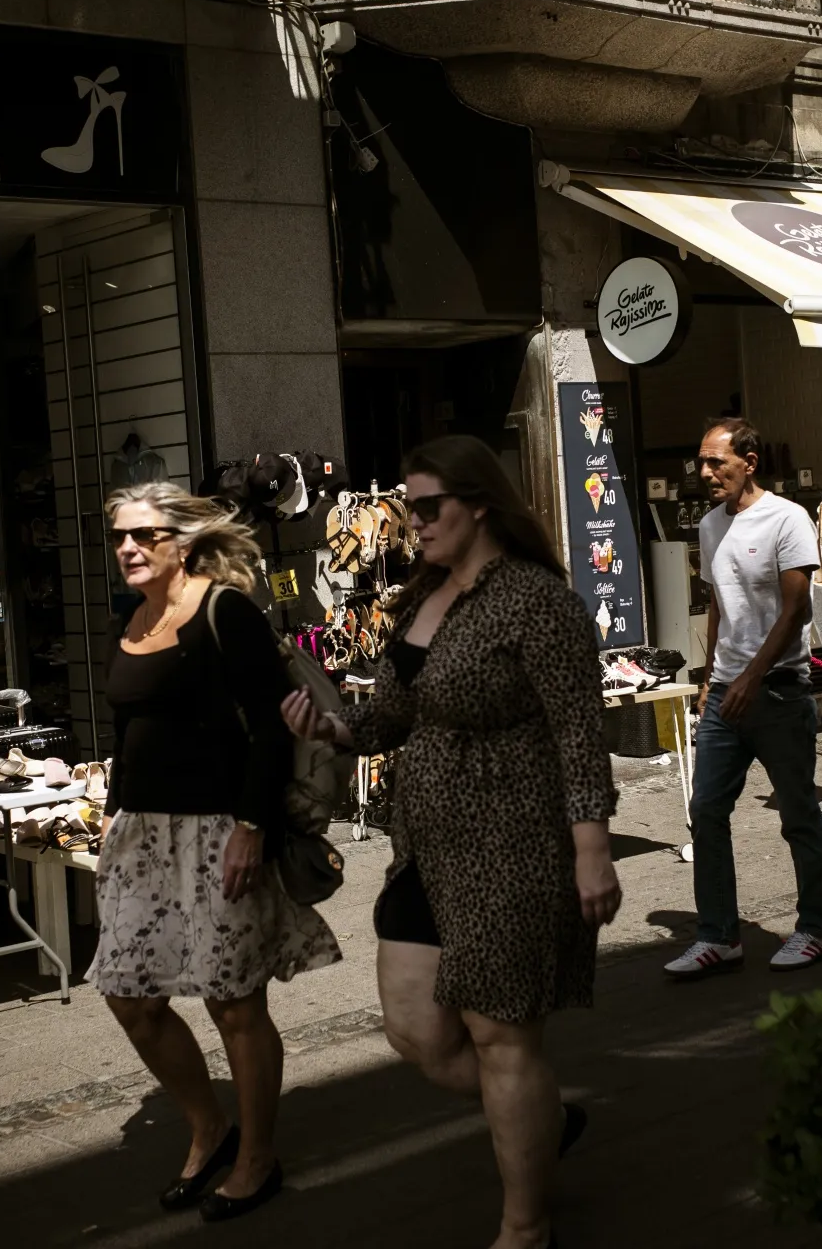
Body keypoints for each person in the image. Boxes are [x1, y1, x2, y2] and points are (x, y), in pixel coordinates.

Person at [281, 435, 620, 1249]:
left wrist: (592, 849)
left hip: (513, 845)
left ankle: (525, 1224)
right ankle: (542, 1114)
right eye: (407, 507)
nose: (413, 522)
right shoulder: (425, 592)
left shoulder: (537, 603)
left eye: (428, 507)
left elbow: (580, 733)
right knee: (417, 1032)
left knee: (502, 1037)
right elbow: (394, 715)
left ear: (479, 505)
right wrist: (335, 727)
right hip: (425, 847)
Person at [89, 482, 340, 1223]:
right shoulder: (130, 618)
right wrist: (112, 815)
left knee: (234, 1003)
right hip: (143, 832)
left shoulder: (224, 611)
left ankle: (256, 1157)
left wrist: (252, 829)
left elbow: (270, 729)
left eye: (143, 535)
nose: (128, 548)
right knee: (129, 994)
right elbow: (125, 735)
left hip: (221, 830)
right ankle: (210, 1126)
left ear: (184, 541)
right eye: (119, 538)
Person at [663, 417, 822, 980]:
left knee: (798, 814)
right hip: (725, 695)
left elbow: (796, 610)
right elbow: (718, 604)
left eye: (717, 463)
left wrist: (751, 677)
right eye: (702, 463)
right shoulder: (711, 525)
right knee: (706, 810)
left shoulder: (789, 519)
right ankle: (718, 936)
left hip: (779, 691)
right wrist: (712, 675)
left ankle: (813, 930)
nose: (705, 473)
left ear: (749, 462)